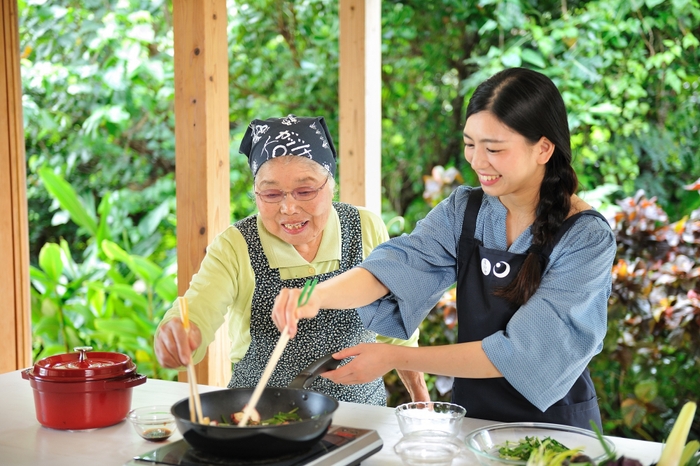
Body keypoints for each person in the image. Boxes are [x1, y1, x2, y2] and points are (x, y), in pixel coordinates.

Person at [272, 69, 617, 429]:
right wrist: (314, 295)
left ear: (543, 148)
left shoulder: (586, 238)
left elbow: (525, 353)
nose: (478, 161)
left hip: (555, 430)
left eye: (494, 148)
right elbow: (397, 267)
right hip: (472, 421)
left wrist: (392, 356)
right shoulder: (465, 210)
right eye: (470, 144)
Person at [154, 114, 429, 406]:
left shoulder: (365, 228)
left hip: (359, 416)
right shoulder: (235, 246)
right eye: (271, 193)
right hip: (260, 417)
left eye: (305, 191)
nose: (288, 208)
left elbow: (396, 325)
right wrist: (177, 335)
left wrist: (420, 396)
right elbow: (196, 312)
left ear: (331, 184)